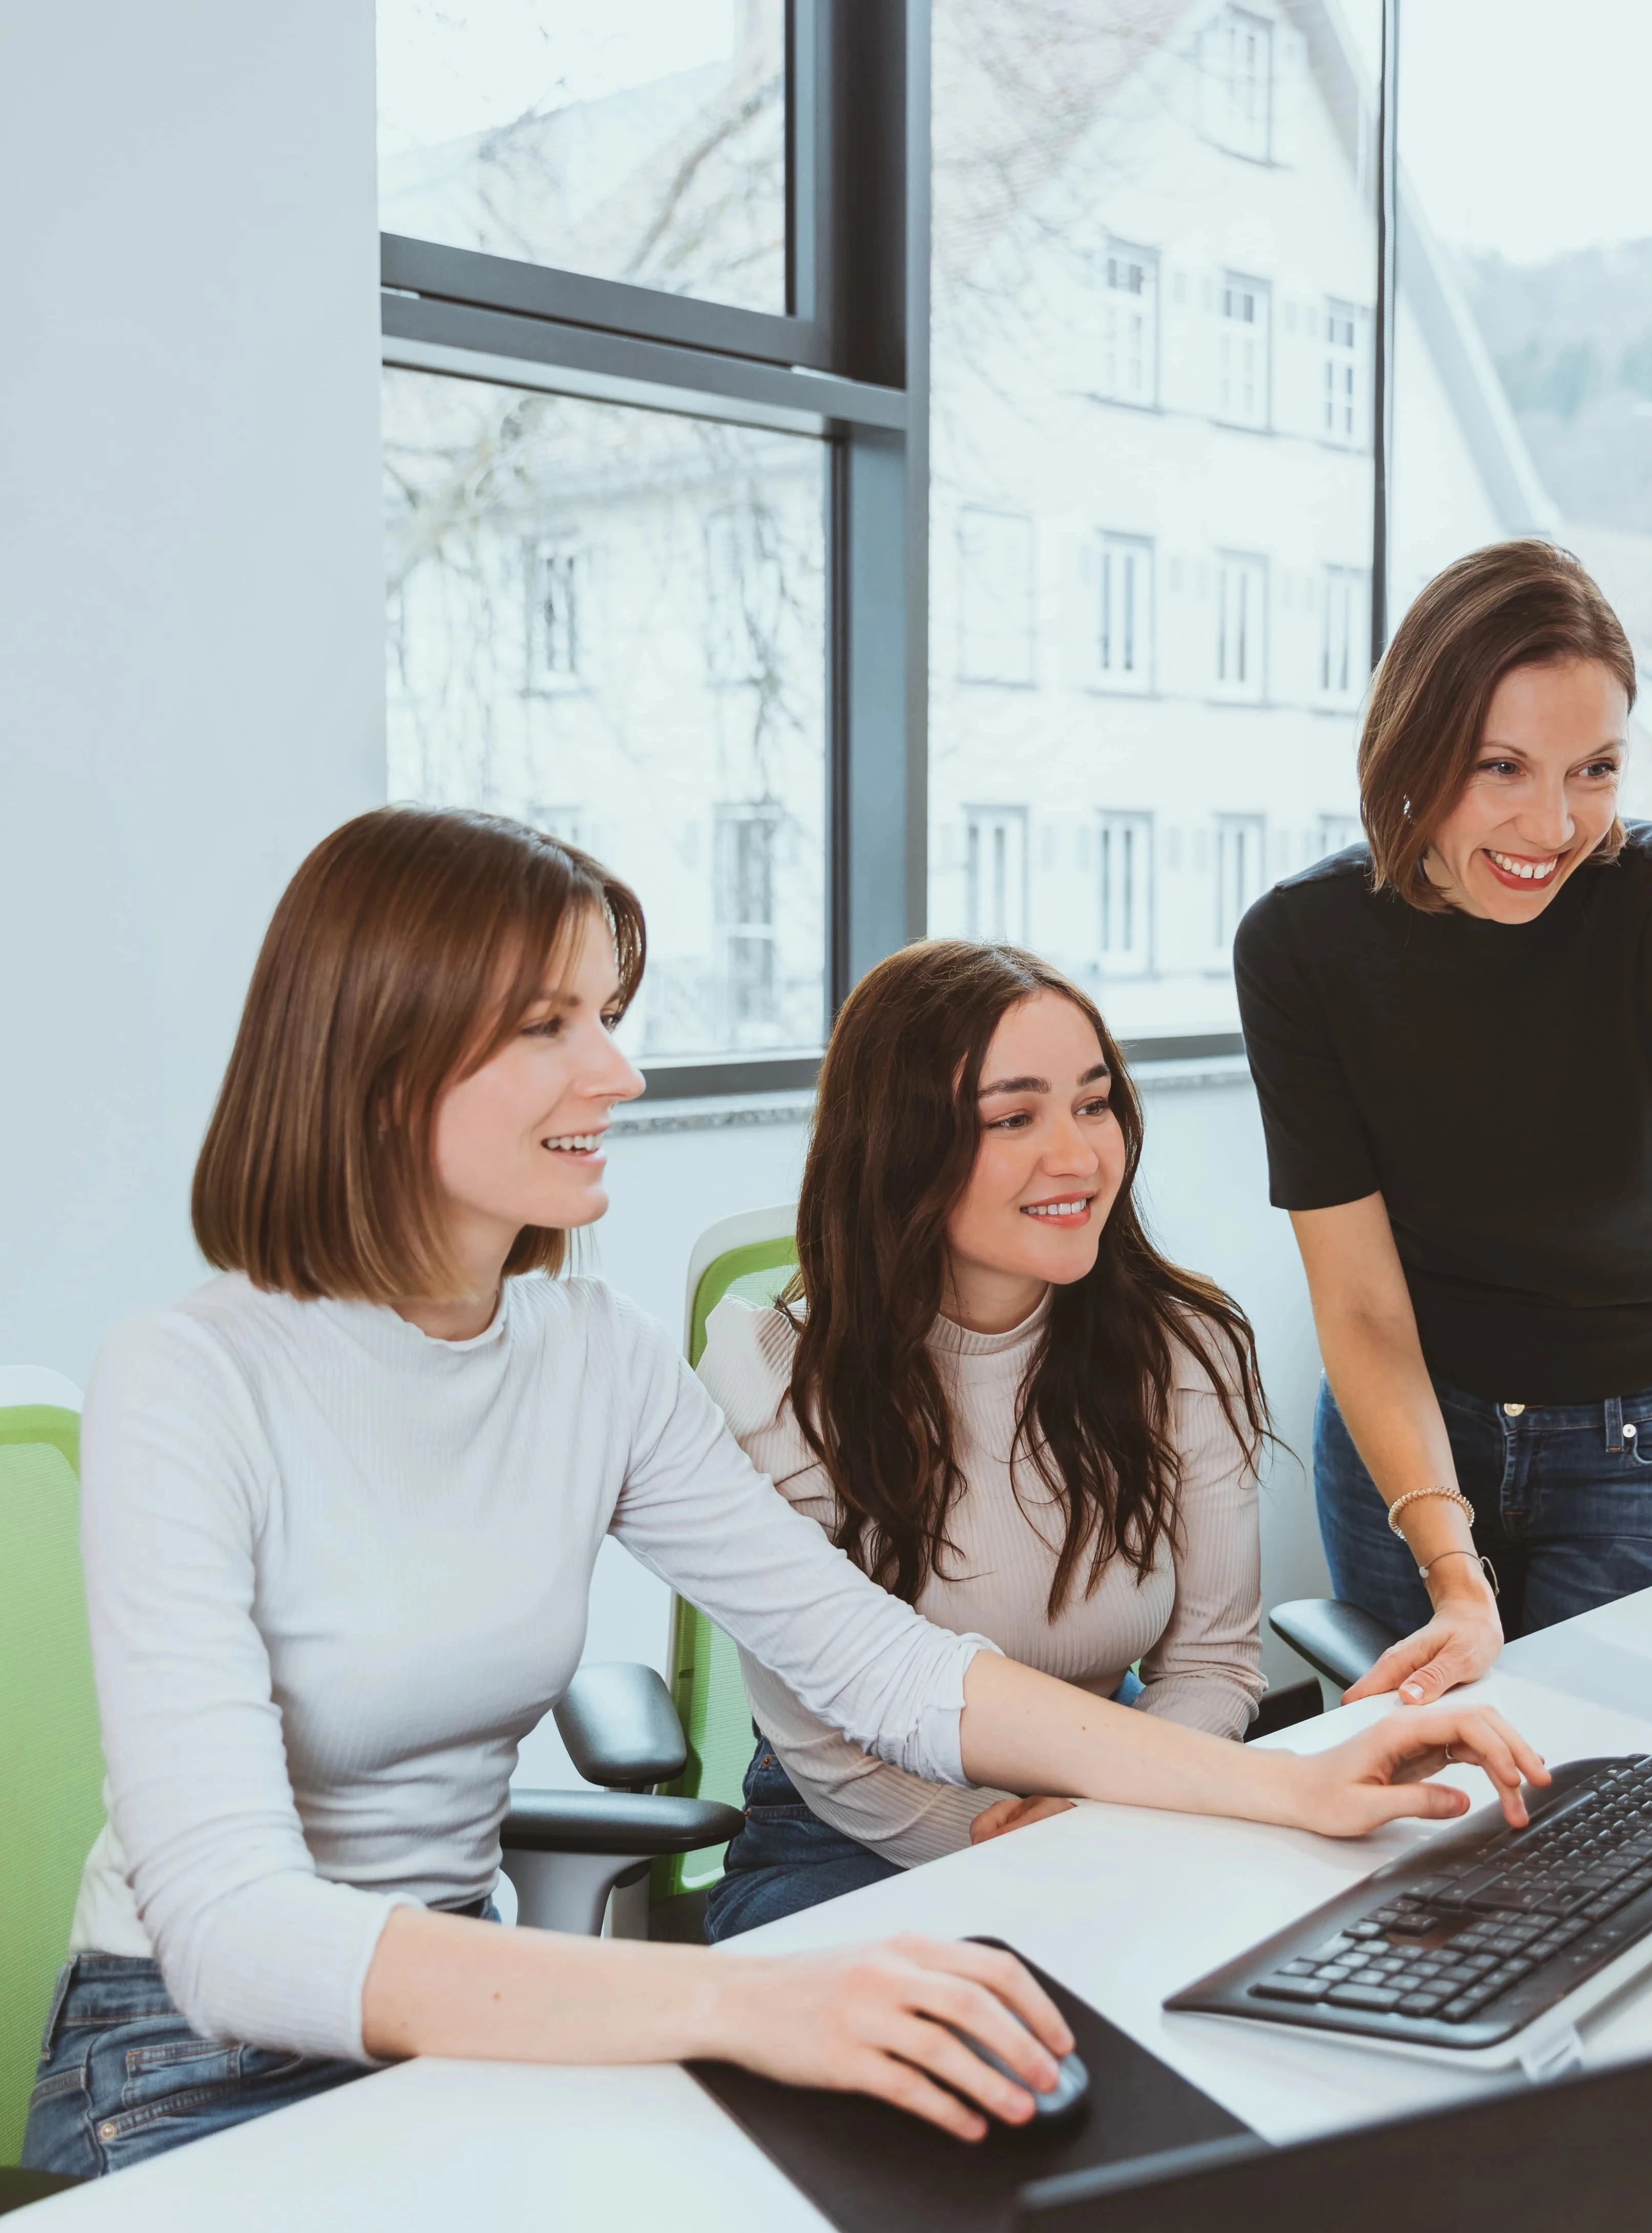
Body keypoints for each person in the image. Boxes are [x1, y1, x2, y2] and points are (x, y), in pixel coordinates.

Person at [26, 806, 1549, 2180]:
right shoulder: (190, 1376)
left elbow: (878, 1663)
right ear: (379, 1061)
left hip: (458, 2011)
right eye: (551, 1026)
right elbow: (228, 1938)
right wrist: (753, 2000)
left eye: (607, 1018)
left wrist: (1293, 1777)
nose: (616, 1072)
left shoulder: (594, 1360)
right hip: (180, 2061)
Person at [1234, 540, 1652, 1713]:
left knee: (1621, 1803)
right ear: (1414, 743)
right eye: (1502, 766)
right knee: (1426, 1803)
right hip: (1412, 1426)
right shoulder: (1300, 947)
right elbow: (1361, 1303)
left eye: (1593, 769)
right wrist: (1451, 1566)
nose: (1553, 824)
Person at [697, 942, 1266, 1934]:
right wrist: (1016, 1840)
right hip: (852, 1830)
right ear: (896, 1147)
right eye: (1012, 1117)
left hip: (1123, 1781)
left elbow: (1212, 1663)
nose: (1080, 1156)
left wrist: (1100, 1819)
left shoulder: (1182, 1344)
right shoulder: (774, 1377)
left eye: (1093, 1103)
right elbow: (832, 1751)